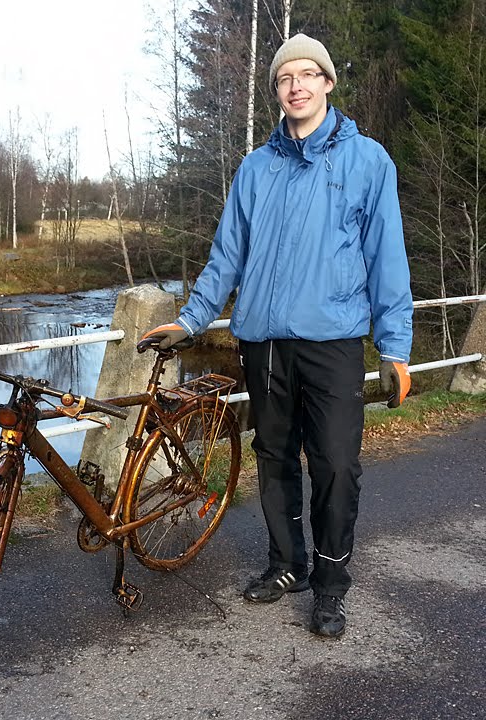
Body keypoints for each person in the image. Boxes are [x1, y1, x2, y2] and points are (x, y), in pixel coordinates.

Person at [140, 33, 414, 638]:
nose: (296, 85)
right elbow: (227, 255)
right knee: (275, 460)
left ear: (327, 83)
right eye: (285, 77)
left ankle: (330, 582)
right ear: (277, 91)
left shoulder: (367, 161)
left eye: (307, 74)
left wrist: (395, 348)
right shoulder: (256, 168)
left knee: (337, 464)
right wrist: (191, 319)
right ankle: (286, 564)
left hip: (332, 341)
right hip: (262, 342)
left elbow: (387, 258)